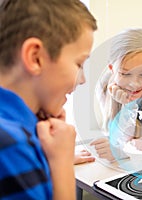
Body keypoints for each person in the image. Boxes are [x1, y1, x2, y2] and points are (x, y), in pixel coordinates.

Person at [0, 0, 97, 199]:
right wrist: (61, 161)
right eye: (79, 64)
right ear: (35, 57)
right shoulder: (12, 145)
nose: (83, 79)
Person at [91, 28, 142, 161]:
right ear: (112, 68)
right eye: (125, 74)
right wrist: (127, 107)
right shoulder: (104, 85)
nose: (134, 84)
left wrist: (122, 150)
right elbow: (114, 134)